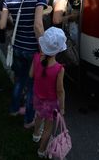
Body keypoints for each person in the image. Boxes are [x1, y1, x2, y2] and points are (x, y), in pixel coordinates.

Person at [0, 0, 47, 128]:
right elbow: (38, 25)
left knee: (19, 80)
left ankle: (13, 109)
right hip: (32, 49)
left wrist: (15, 17)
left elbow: (2, 25)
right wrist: (43, 49)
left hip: (17, 47)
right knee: (33, 85)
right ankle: (28, 120)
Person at [30, 27, 66, 158]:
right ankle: (41, 151)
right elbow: (60, 91)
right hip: (51, 104)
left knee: (38, 116)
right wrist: (61, 108)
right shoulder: (59, 69)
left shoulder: (36, 57)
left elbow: (31, 74)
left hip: (37, 98)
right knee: (48, 128)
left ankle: (35, 136)